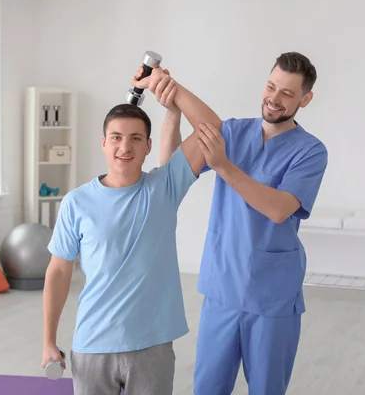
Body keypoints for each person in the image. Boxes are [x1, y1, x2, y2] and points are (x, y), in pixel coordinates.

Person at [133, 51, 328, 394]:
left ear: (305, 99)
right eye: (271, 86)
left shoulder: (310, 151)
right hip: (222, 290)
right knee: (208, 388)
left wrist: (224, 166)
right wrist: (171, 107)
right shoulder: (235, 132)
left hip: (272, 299)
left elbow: (280, 209)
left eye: (287, 93)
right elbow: (170, 168)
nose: (274, 98)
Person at [41, 80, 206, 395]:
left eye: (135, 139)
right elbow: (59, 271)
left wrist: (171, 93)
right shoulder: (76, 202)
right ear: (103, 143)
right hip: (92, 347)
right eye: (116, 138)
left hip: (151, 347)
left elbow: (211, 129)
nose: (125, 147)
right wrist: (48, 341)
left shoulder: (164, 189)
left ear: (147, 145)